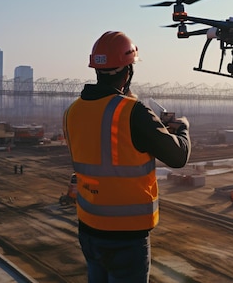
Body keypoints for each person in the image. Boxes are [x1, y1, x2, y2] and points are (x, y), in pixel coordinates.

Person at [63, 31, 191, 283]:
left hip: (89, 228)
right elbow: (178, 156)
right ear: (128, 71)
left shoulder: (72, 112)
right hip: (126, 237)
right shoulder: (133, 112)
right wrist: (184, 128)